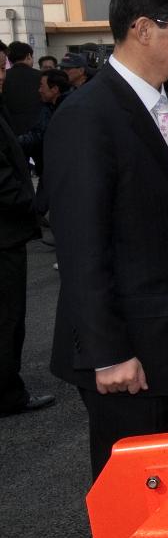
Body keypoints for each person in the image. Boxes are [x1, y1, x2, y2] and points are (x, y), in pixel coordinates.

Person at [44, 0, 168, 479]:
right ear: (145, 28)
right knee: (141, 510)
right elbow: (82, 247)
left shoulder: (162, 107)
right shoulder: (89, 116)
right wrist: (109, 353)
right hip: (134, 364)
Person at [0, 63, 55, 417]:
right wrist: (36, 209)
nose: (5, 74)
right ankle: (8, 393)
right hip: (4, 234)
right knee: (7, 317)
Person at [1, 42, 43, 136]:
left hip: (11, 131)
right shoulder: (41, 76)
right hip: (38, 130)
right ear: (28, 56)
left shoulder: (4, 77)